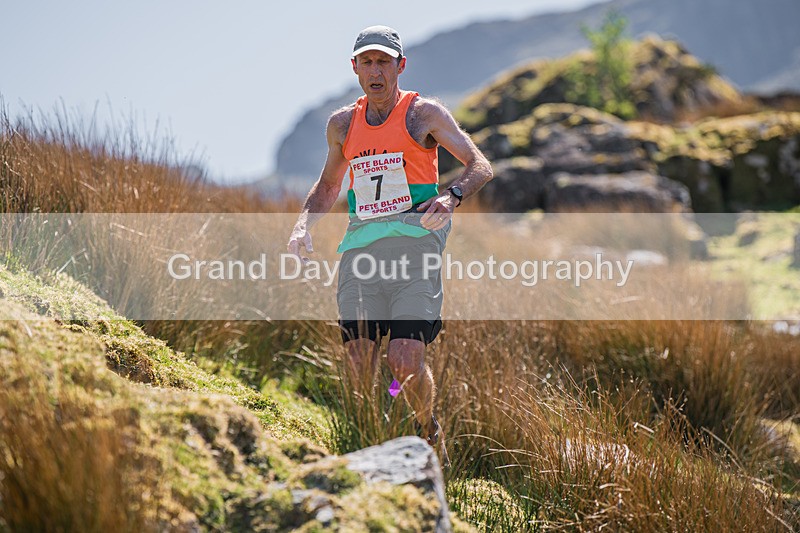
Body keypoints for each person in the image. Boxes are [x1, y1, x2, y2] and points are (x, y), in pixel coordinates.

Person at [287, 25, 492, 457]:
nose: (376, 71)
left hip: (416, 251)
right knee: (360, 360)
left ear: (401, 65)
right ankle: (367, 446)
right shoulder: (343, 125)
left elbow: (479, 165)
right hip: (360, 253)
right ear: (355, 69)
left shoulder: (424, 115)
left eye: (384, 62)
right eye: (367, 62)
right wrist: (303, 226)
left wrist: (451, 196)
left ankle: (424, 425)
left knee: (404, 361)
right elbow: (328, 187)